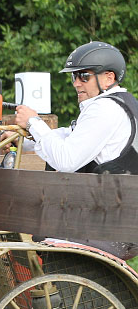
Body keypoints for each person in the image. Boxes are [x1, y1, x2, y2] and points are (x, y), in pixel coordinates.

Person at [15, 41, 138, 259]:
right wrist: (24, 141)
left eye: (84, 76)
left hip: (110, 224)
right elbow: (68, 135)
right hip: (117, 216)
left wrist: (33, 121)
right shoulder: (118, 104)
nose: (76, 83)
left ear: (108, 78)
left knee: (22, 226)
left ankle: (42, 291)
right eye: (74, 76)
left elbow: (66, 160)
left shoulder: (105, 109)